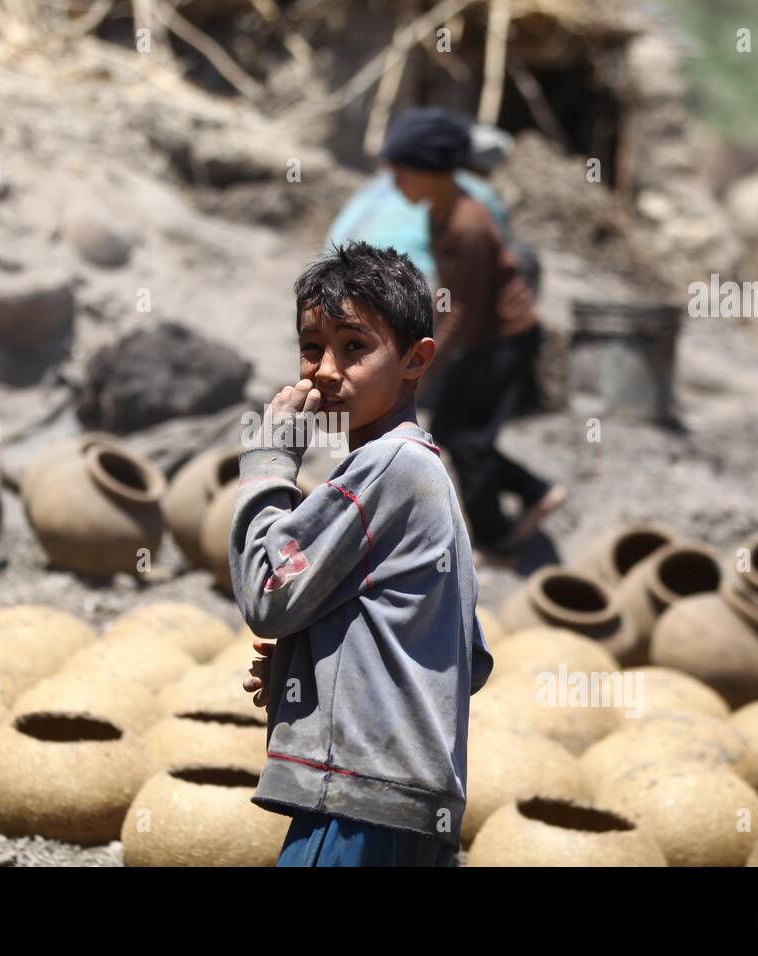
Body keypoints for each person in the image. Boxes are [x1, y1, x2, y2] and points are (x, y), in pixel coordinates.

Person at [231, 241, 494, 866]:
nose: (324, 370)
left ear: (414, 359)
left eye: (354, 347)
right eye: (311, 347)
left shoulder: (388, 466)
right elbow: (469, 659)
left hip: (356, 807)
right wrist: (317, 665)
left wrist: (269, 462)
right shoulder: (425, 472)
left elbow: (268, 596)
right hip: (405, 809)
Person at [383, 106, 565, 560]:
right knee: (453, 431)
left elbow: (466, 309)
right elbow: (450, 294)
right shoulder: (439, 214)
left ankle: (496, 537)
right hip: (484, 338)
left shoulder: (468, 223)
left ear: (431, 171)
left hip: (505, 340)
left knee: (468, 439)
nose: (396, 184)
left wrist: (427, 364)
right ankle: (535, 490)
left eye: (402, 173)